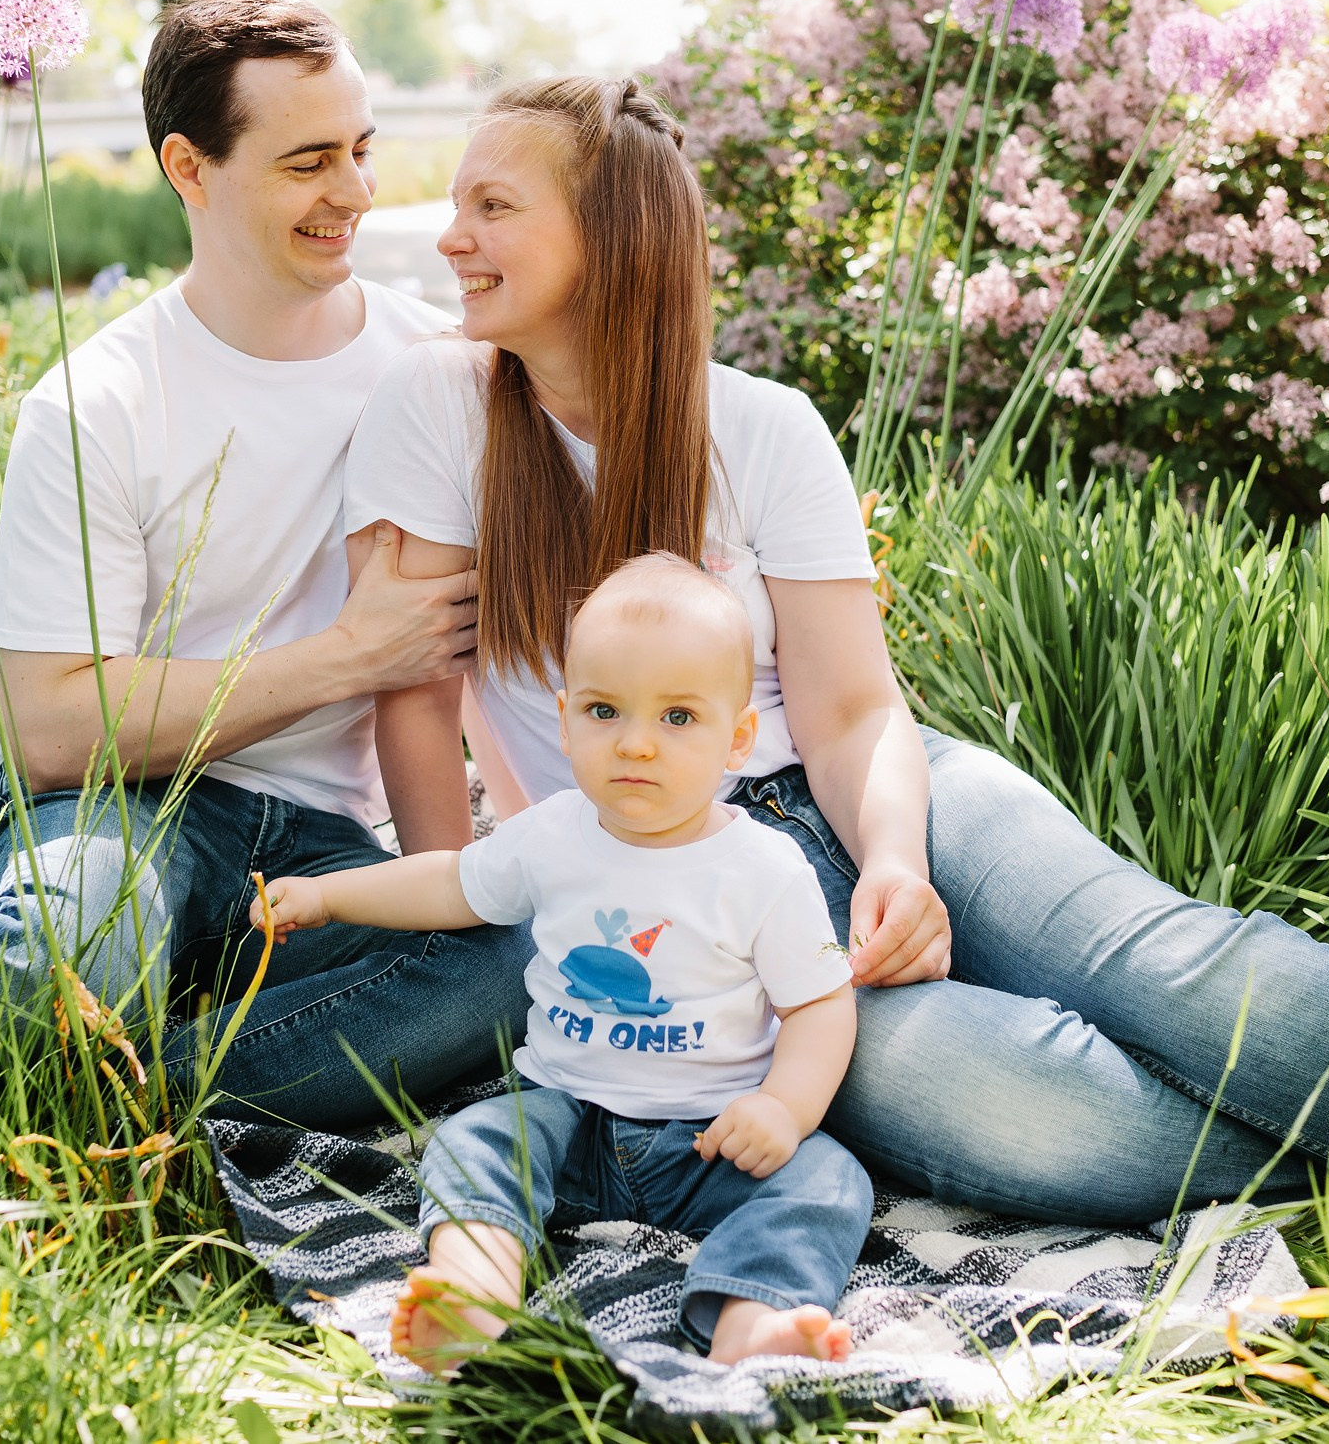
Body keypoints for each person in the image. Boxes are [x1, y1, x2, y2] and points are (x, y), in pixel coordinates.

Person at [339, 74, 1329, 1226]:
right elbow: (416, 693)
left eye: (492, 205)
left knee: (1166, 967)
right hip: (697, 887)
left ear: (613, 237)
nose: (451, 237)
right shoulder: (439, 405)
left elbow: (853, 710)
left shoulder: (760, 426)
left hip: (892, 798)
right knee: (1029, 1105)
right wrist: (467, 925)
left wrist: (897, 862)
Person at [0, 0, 529, 1127]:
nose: (354, 191)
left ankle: (144, 1087)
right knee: (78, 951)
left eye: (361, 150)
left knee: (509, 957)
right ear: (190, 168)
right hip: (109, 806)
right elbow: (49, 730)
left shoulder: (434, 365)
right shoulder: (99, 402)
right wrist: (345, 658)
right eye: (308, 162)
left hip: (317, 845)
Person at [251, 554, 870, 1370]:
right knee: (474, 1138)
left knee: (829, 1181)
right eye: (605, 710)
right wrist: (332, 896)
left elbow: (820, 1004)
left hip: (709, 1137)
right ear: (567, 720)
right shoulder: (553, 833)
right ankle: (474, 1281)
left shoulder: (764, 868)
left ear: (738, 738)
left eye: (678, 716)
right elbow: (450, 883)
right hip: (566, 1116)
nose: (636, 742)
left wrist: (784, 1109)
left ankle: (752, 1316)